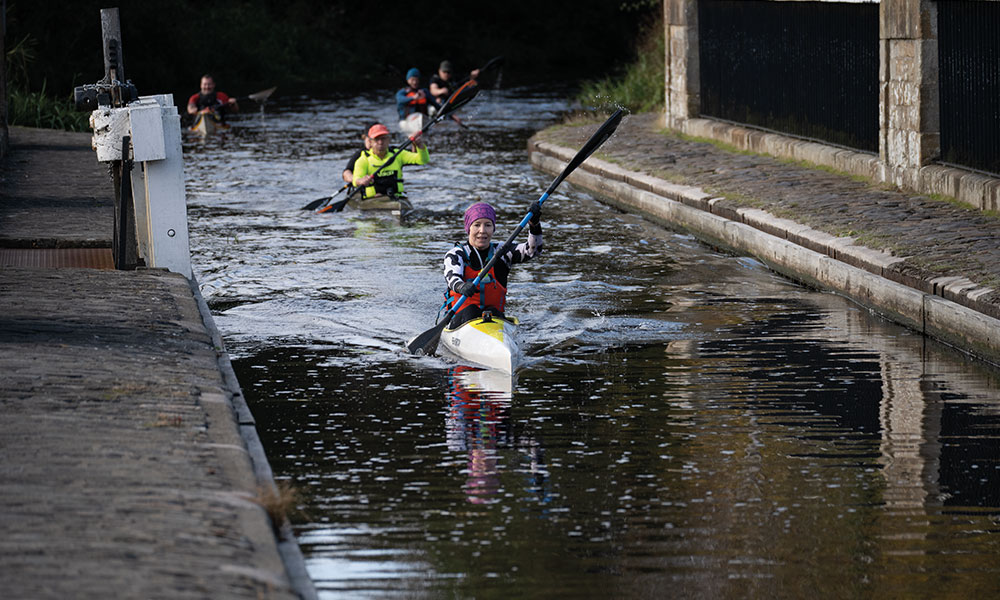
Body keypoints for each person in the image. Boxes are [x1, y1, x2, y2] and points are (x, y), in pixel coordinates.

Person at [444, 201, 542, 328]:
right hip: (461, 320)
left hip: (494, 319)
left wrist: (534, 225)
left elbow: (533, 251)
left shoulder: (502, 251)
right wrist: (461, 286)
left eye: (488, 225)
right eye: (477, 225)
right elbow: (452, 278)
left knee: (493, 312)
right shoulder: (456, 254)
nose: (482, 231)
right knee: (471, 311)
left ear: (493, 228)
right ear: (468, 228)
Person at [351, 123, 428, 200]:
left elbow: (423, 160)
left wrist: (420, 145)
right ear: (370, 142)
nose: (380, 142)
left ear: (388, 140)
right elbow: (355, 180)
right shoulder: (363, 160)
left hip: (396, 197)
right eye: (377, 139)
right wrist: (360, 181)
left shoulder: (398, 154)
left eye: (383, 138)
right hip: (373, 200)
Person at [342, 121, 382, 185]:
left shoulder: (392, 152)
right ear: (364, 137)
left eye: (375, 139)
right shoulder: (360, 154)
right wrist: (357, 180)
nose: (371, 143)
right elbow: (346, 172)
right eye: (369, 139)